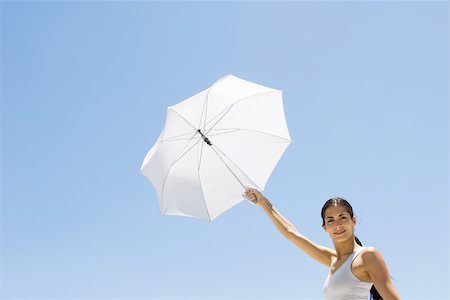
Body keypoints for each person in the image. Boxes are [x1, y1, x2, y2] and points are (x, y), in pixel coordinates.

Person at [243, 188, 401, 300]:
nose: (337, 225)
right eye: (330, 220)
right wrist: (262, 202)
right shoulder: (332, 259)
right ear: (325, 227)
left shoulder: (367, 256)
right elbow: (291, 234)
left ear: (354, 221)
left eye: (343, 217)